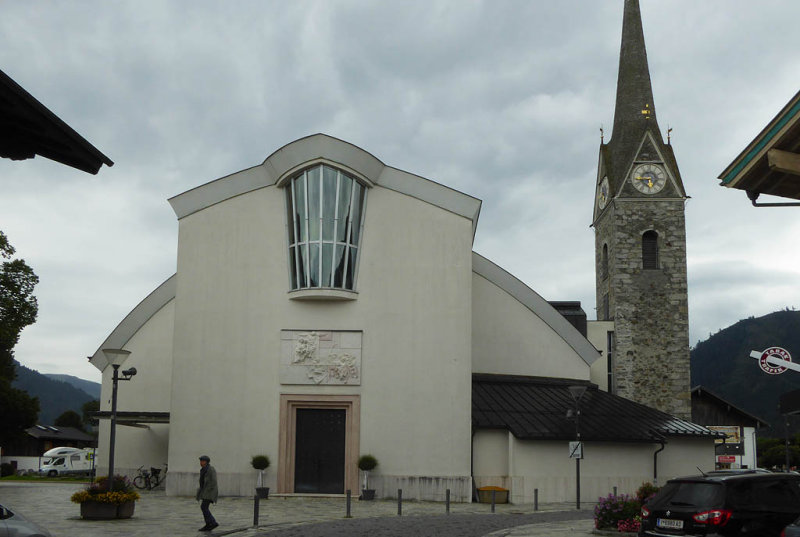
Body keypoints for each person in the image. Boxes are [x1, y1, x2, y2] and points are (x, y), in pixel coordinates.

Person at [196, 455, 219, 531]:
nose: (201, 462)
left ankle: (212, 522)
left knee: (204, 507)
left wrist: (209, 490)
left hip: (209, 492)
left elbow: (213, 481)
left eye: (202, 461)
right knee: (204, 507)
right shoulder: (203, 469)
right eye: (200, 461)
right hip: (205, 491)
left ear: (206, 462)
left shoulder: (210, 469)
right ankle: (209, 524)